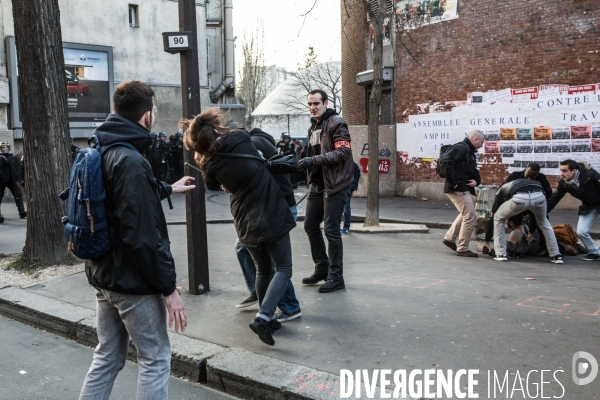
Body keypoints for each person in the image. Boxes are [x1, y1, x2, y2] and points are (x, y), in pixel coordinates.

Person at [79, 80, 194, 400]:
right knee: (155, 358)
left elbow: (120, 201)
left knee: (107, 357)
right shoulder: (130, 160)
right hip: (131, 280)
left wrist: (169, 188)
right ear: (146, 117)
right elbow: (141, 237)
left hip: (103, 272)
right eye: (154, 110)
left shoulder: (103, 148)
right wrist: (169, 289)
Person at [181, 108, 296, 346]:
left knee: (263, 269)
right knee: (283, 268)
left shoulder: (209, 165)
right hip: (269, 209)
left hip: (243, 217)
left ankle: (268, 318)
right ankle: (265, 317)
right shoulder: (240, 139)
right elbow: (249, 145)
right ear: (214, 129)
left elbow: (214, 185)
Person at [234, 127, 302, 323]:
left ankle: (289, 306)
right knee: (244, 249)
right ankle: (261, 294)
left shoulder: (253, 144)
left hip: (276, 208)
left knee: (277, 265)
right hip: (271, 207)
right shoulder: (257, 143)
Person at [299, 89, 354, 293]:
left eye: (316, 104)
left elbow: (343, 152)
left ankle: (336, 276)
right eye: (310, 104)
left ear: (325, 103)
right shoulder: (314, 126)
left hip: (336, 183)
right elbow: (313, 154)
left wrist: (313, 160)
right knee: (310, 225)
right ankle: (322, 269)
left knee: (331, 230)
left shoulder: (336, 123)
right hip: (318, 184)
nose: (313, 108)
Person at [485, 179, 563, 263]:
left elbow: (493, 215)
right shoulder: (534, 183)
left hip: (520, 198)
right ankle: (556, 255)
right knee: (543, 222)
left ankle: (500, 254)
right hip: (538, 195)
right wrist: (531, 233)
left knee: (498, 218)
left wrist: (487, 240)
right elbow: (533, 214)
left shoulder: (501, 191)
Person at [441, 130, 484, 257]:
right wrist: (454, 182)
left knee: (466, 213)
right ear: (475, 140)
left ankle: (449, 238)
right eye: (481, 142)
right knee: (470, 215)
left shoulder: (469, 151)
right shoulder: (461, 148)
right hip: (457, 188)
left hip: (462, 187)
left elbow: (472, 169)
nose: (482, 145)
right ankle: (463, 248)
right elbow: (445, 162)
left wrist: (477, 181)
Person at [547, 159, 600, 261]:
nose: (562, 174)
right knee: (581, 231)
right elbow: (554, 199)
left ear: (574, 171)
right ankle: (595, 253)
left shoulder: (590, 174)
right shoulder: (564, 183)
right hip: (589, 206)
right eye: (561, 171)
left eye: (565, 171)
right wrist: (541, 212)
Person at [0, 141, 26, 222]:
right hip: (1, 180)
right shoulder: (0, 157)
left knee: (17, 195)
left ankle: (22, 212)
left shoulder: (13, 157)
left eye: (6, 147)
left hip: (12, 179)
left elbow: (18, 167)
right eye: (3, 147)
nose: (5, 148)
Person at [341, 162, 361, 235]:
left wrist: (353, 185)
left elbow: (357, 173)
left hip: (348, 187)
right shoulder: (350, 163)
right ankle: (345, 227)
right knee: (344, 206)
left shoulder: (351, 164)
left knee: (346, 206)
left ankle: (346, 227)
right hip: (344, 187)